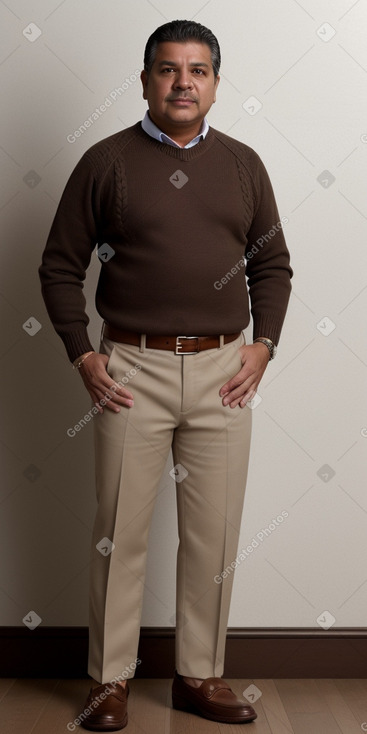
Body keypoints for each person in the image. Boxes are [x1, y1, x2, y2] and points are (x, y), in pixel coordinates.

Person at [39, 19, 292, 731]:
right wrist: (83, 354)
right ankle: (108, 682)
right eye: (168, 69)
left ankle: (198, 677)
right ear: (145, 78)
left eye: (198, 70)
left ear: (215, 81)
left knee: (213, 534)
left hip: (223, 371)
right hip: (130, 367)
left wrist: (263, 345)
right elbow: (59, 265)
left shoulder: (243, 165)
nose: (183, 82)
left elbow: (270, 264)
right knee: (118, 533)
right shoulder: (105, 162)